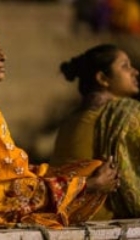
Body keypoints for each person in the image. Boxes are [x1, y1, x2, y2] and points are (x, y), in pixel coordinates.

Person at [0, 22, 119, 229]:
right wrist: (87, 186)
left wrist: (72, 180)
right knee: (92, 173)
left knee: (90, 168)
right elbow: (4, 186)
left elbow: (7, 170)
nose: (3, 56)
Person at [51, 43, 140, 220]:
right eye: (125, 66)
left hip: (65, 214)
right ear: (102, 79)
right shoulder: (129, 114)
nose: (135, 72)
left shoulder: (70, 120)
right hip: (102, 216)